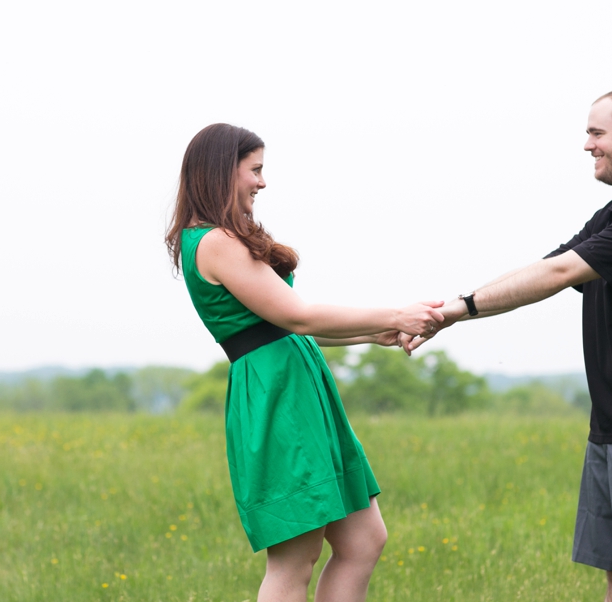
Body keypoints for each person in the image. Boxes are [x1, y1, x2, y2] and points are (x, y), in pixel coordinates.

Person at [410, 88, 612, 602]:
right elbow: (546, 267)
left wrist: (458, 310)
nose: (587, 145)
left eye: (597, 133)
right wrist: (446, 312)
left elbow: (559, 272)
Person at [165, 123, 444, 602]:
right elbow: (294, 315)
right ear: (221, 172)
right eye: (254, 170)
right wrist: (395, 312)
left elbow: (280, 327)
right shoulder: (211, 242)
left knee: (363, 540)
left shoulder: (225, 238)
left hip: (299, 390)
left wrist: (369, 334)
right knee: (295, 560)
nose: (262, 182)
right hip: (278, 402)